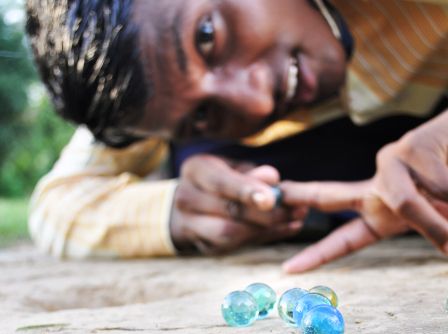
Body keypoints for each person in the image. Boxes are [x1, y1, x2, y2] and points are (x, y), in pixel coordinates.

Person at [25, 0, 448, 272]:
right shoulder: (143, 89)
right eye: (203, 114)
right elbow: (56, 205)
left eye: (208, 35)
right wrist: (182, 211)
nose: (257, 100)